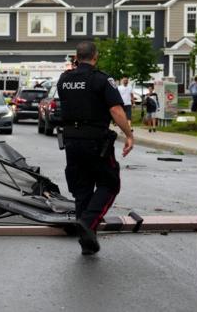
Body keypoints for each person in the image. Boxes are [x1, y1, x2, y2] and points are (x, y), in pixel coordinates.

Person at [57, 41, 134, 255]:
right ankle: (88, 223)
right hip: (95, 141)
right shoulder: (101, 79)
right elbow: (117, 110)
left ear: (76, 56)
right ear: (95, 56)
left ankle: (87, 242)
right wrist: (129, 134)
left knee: (82, 190)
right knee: (110, 183)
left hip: (71, 141)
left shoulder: (64, 79)